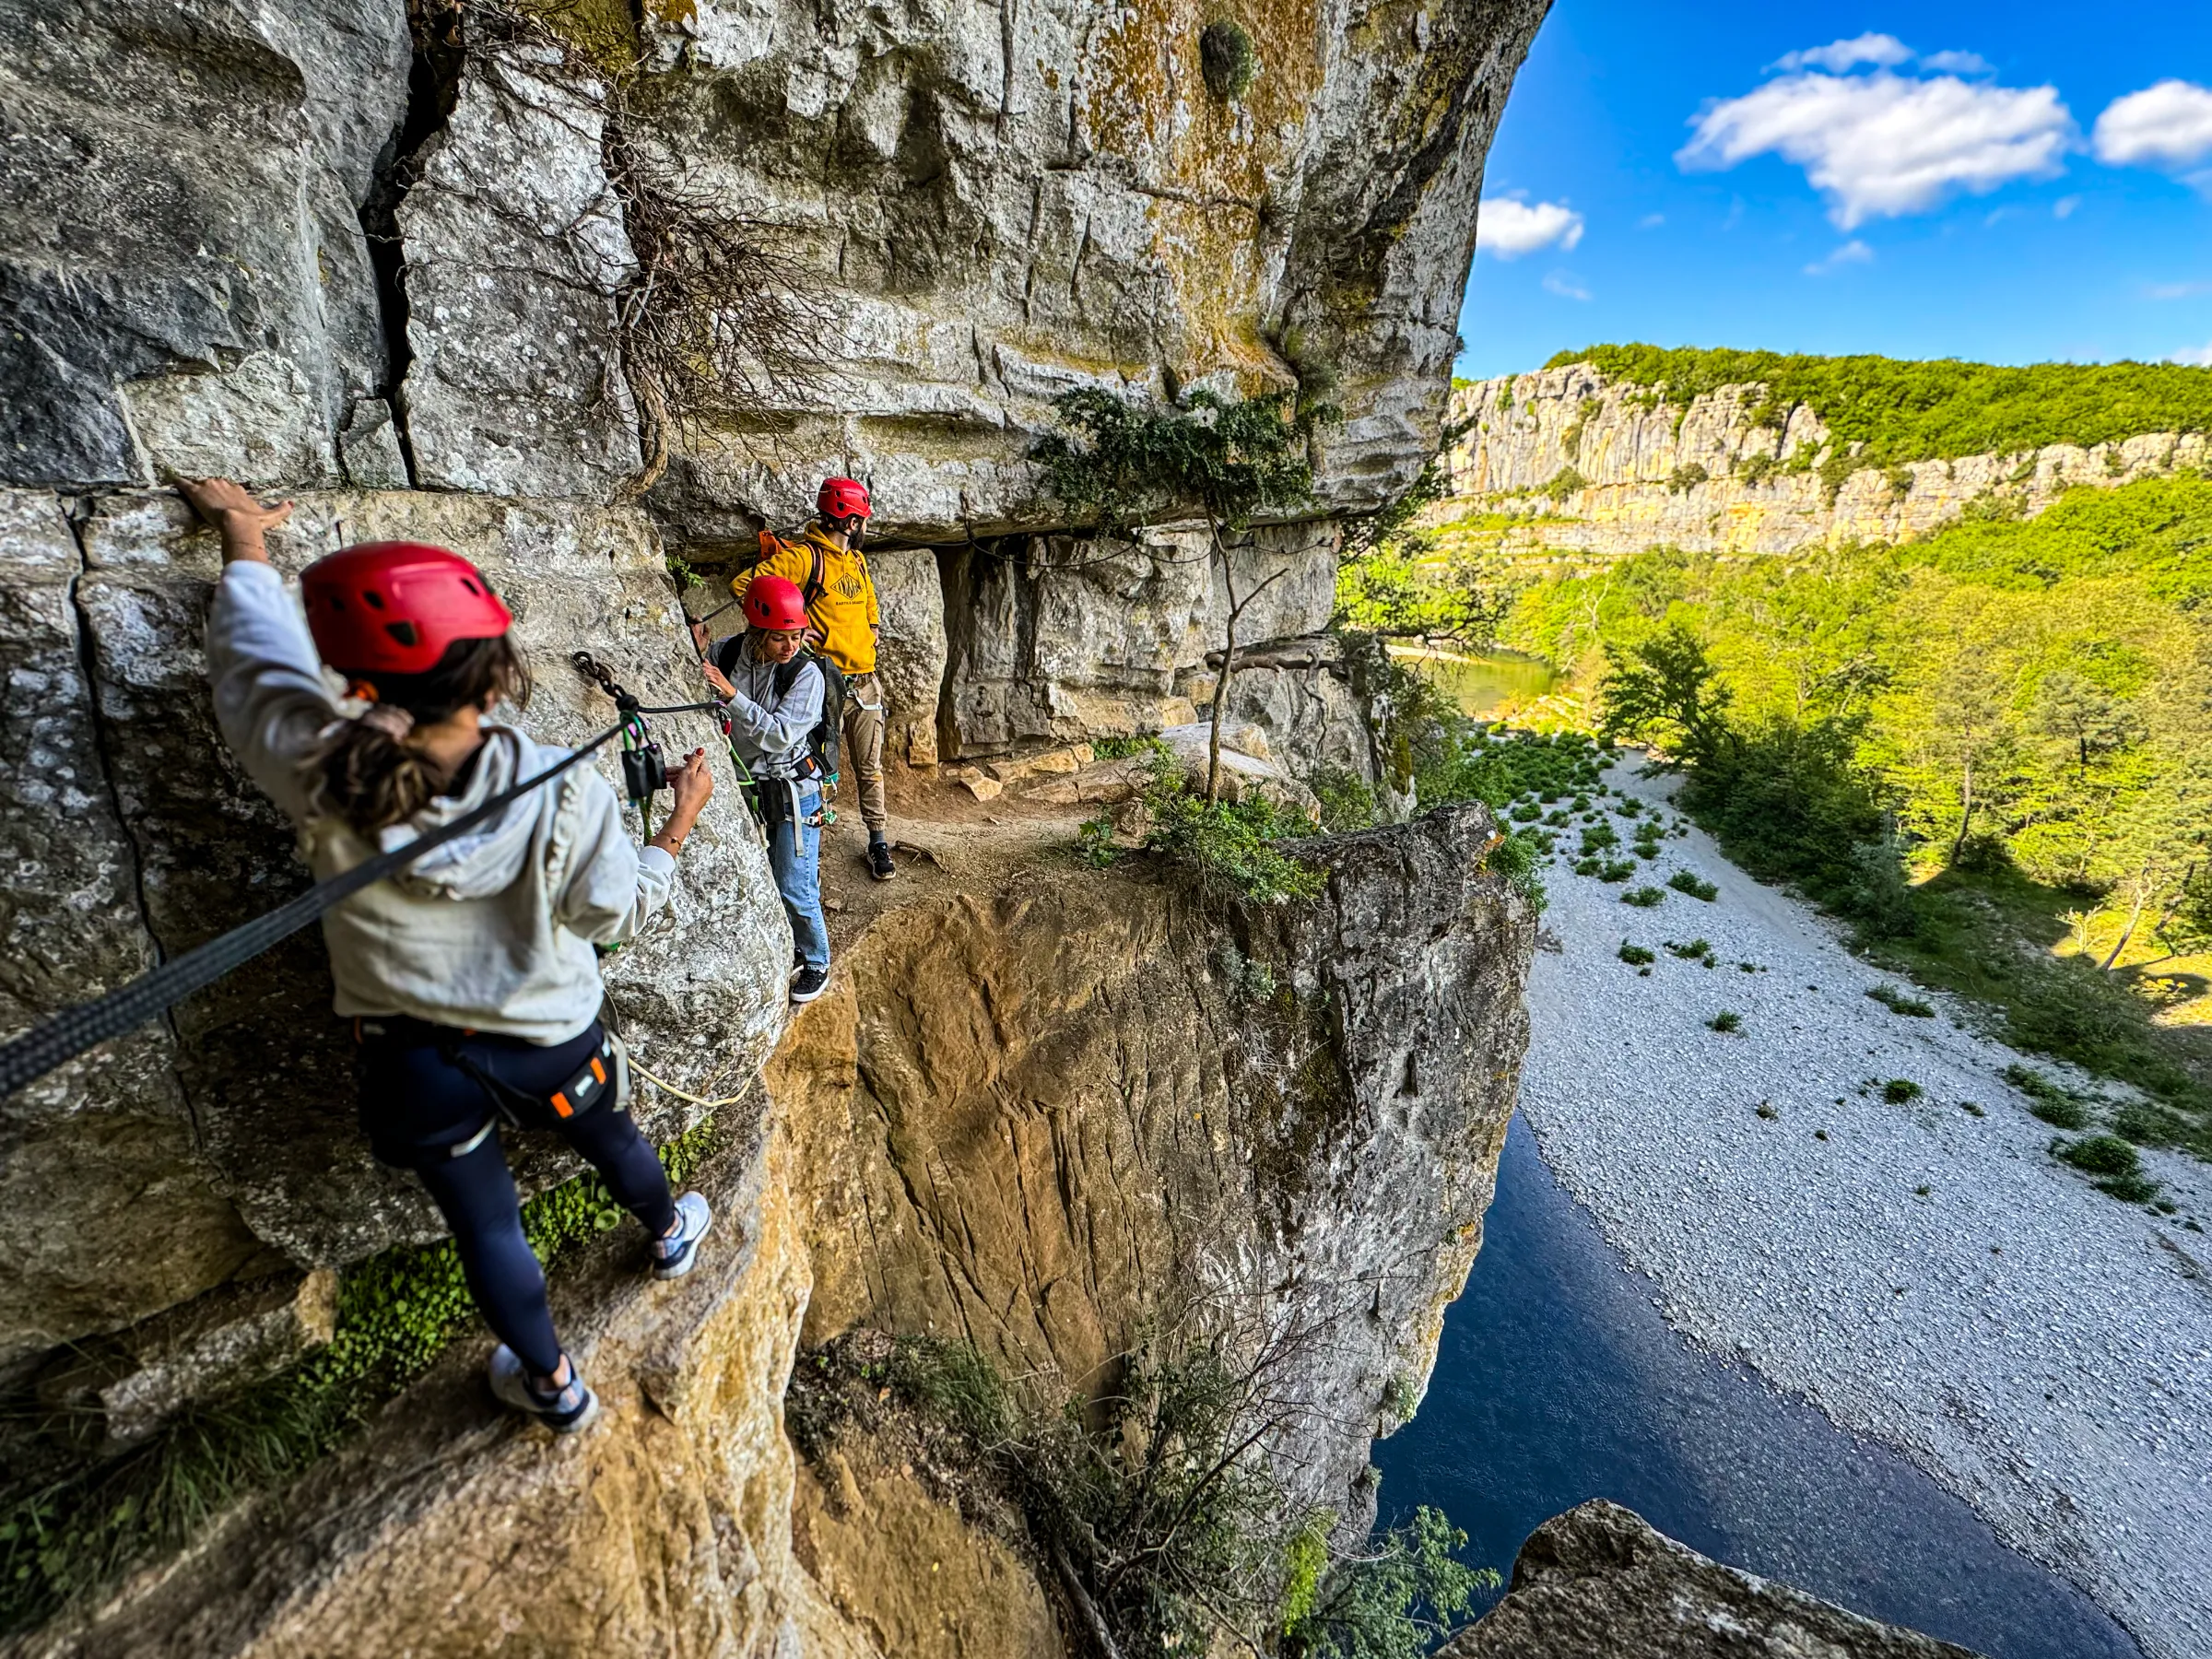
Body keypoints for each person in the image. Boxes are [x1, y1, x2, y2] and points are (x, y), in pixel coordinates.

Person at [182, 476, 716, 1436]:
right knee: (612, 1137)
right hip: (550, 1037)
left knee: (487, 1223)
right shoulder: (567, 792)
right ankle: (670, 1231)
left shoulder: (324, 768)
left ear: (358, 688)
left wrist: (243, 542)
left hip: (416, 1059)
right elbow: (612, 916)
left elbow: (257, 670)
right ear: (497, 668)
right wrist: (674, 826)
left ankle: (554, 1386)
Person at [747, 477, 895, 881]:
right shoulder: (805, 558)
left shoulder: (857, 562)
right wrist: (796, 625)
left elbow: (868, 599)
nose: (865, 526)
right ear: (851, 523)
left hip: (865, 682)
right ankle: (809, 847)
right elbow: (748, 586)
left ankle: (877, 839)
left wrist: (872, 625)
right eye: (863, 519)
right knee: (819, 767)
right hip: (824, 683)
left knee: (870, 767)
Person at [694, 574, 831, 1005]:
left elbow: (779, 735)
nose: (789, 647)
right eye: (779, 639)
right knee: (773, 878)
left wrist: (732, 695)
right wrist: (696, 650)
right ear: (756, 632)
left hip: (795, 790)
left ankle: (816, 959)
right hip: (753, 788)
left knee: (793, 883)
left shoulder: (806, 675)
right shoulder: (730, 653)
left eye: (795, 636)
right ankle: (792, 941)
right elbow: (705, 673)